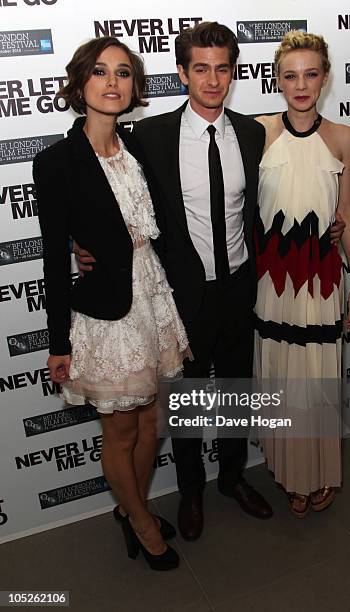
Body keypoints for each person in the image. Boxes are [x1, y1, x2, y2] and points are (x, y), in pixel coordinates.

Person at [76, 22, 345, 540]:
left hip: (245, 285)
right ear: (182, 73)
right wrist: (82, 242)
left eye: (223, 68)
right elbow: (96, 170)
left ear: (234, 73)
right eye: (201, 67)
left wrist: (331, 222)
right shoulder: (151, 136)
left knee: (238, 392)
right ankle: (192, 490)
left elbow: (294, 183)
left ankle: (232, 479)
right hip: (184, 295)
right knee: (188, 399)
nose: (212, 78)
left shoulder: (252, 132)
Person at [33, 36, 189, 570]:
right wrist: (57, 342)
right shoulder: (55, 163)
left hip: (152, 294)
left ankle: (130, 506)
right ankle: (143, 524)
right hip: (106, 312)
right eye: (100, 72)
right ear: (80, 84)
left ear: (134, 86)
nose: (112, 82)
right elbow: (55, 258)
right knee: (121, 428)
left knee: (152, 422)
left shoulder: (139, 145)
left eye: (123, 73)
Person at [254, 31, 350, 517]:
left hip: (321, 282)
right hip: (272, 283)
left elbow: (346, 213)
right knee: (281, 381)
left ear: (325, 77)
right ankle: (292, 474)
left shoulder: (343, 137)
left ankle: (318, 471)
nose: (301, 85)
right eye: (290, 75)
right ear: (276, 80)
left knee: (317, 381)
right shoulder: (257, 132)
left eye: (311, 74)